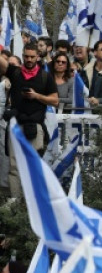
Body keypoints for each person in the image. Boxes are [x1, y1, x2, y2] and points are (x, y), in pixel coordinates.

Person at [0, 42, 58, 200]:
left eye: (32, 57)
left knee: (33, 166)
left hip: (35, 127)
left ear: (38, 57)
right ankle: (15, 201)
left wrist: (36, 96)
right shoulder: (16, 72)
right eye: (26, 56)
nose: (29, 59)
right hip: (15, 125)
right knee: (14, 166)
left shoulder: (45, 77)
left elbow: (55, 101)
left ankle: (32, 202)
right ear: (23, 55)